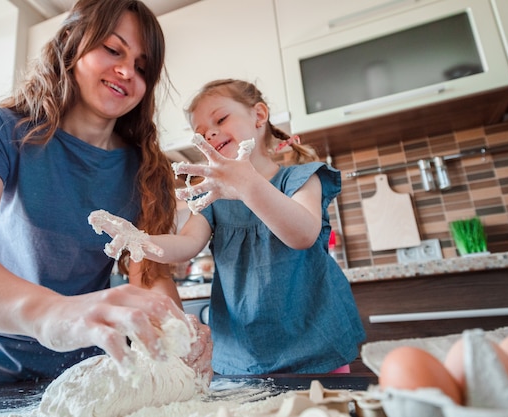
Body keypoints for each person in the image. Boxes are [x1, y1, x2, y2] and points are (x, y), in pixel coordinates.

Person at [0, 0, 211, 398]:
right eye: (113, 49)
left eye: (142, 67)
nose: (127, 72)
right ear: (71, 42)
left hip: (88, 379)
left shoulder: (146, 169)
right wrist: (52, 314)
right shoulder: (2, 131)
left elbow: (150, 277)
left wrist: (175, 330)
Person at [95, 78, 366, 375]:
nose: (209, 133)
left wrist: (248, 185)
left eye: (221, 119)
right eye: (199, 133)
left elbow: (302, 235)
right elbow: (186, 245)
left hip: (316, 343)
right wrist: (141, 241)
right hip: (244, 354)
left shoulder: (300, 178)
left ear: (259, 116)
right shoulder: (212, 196)